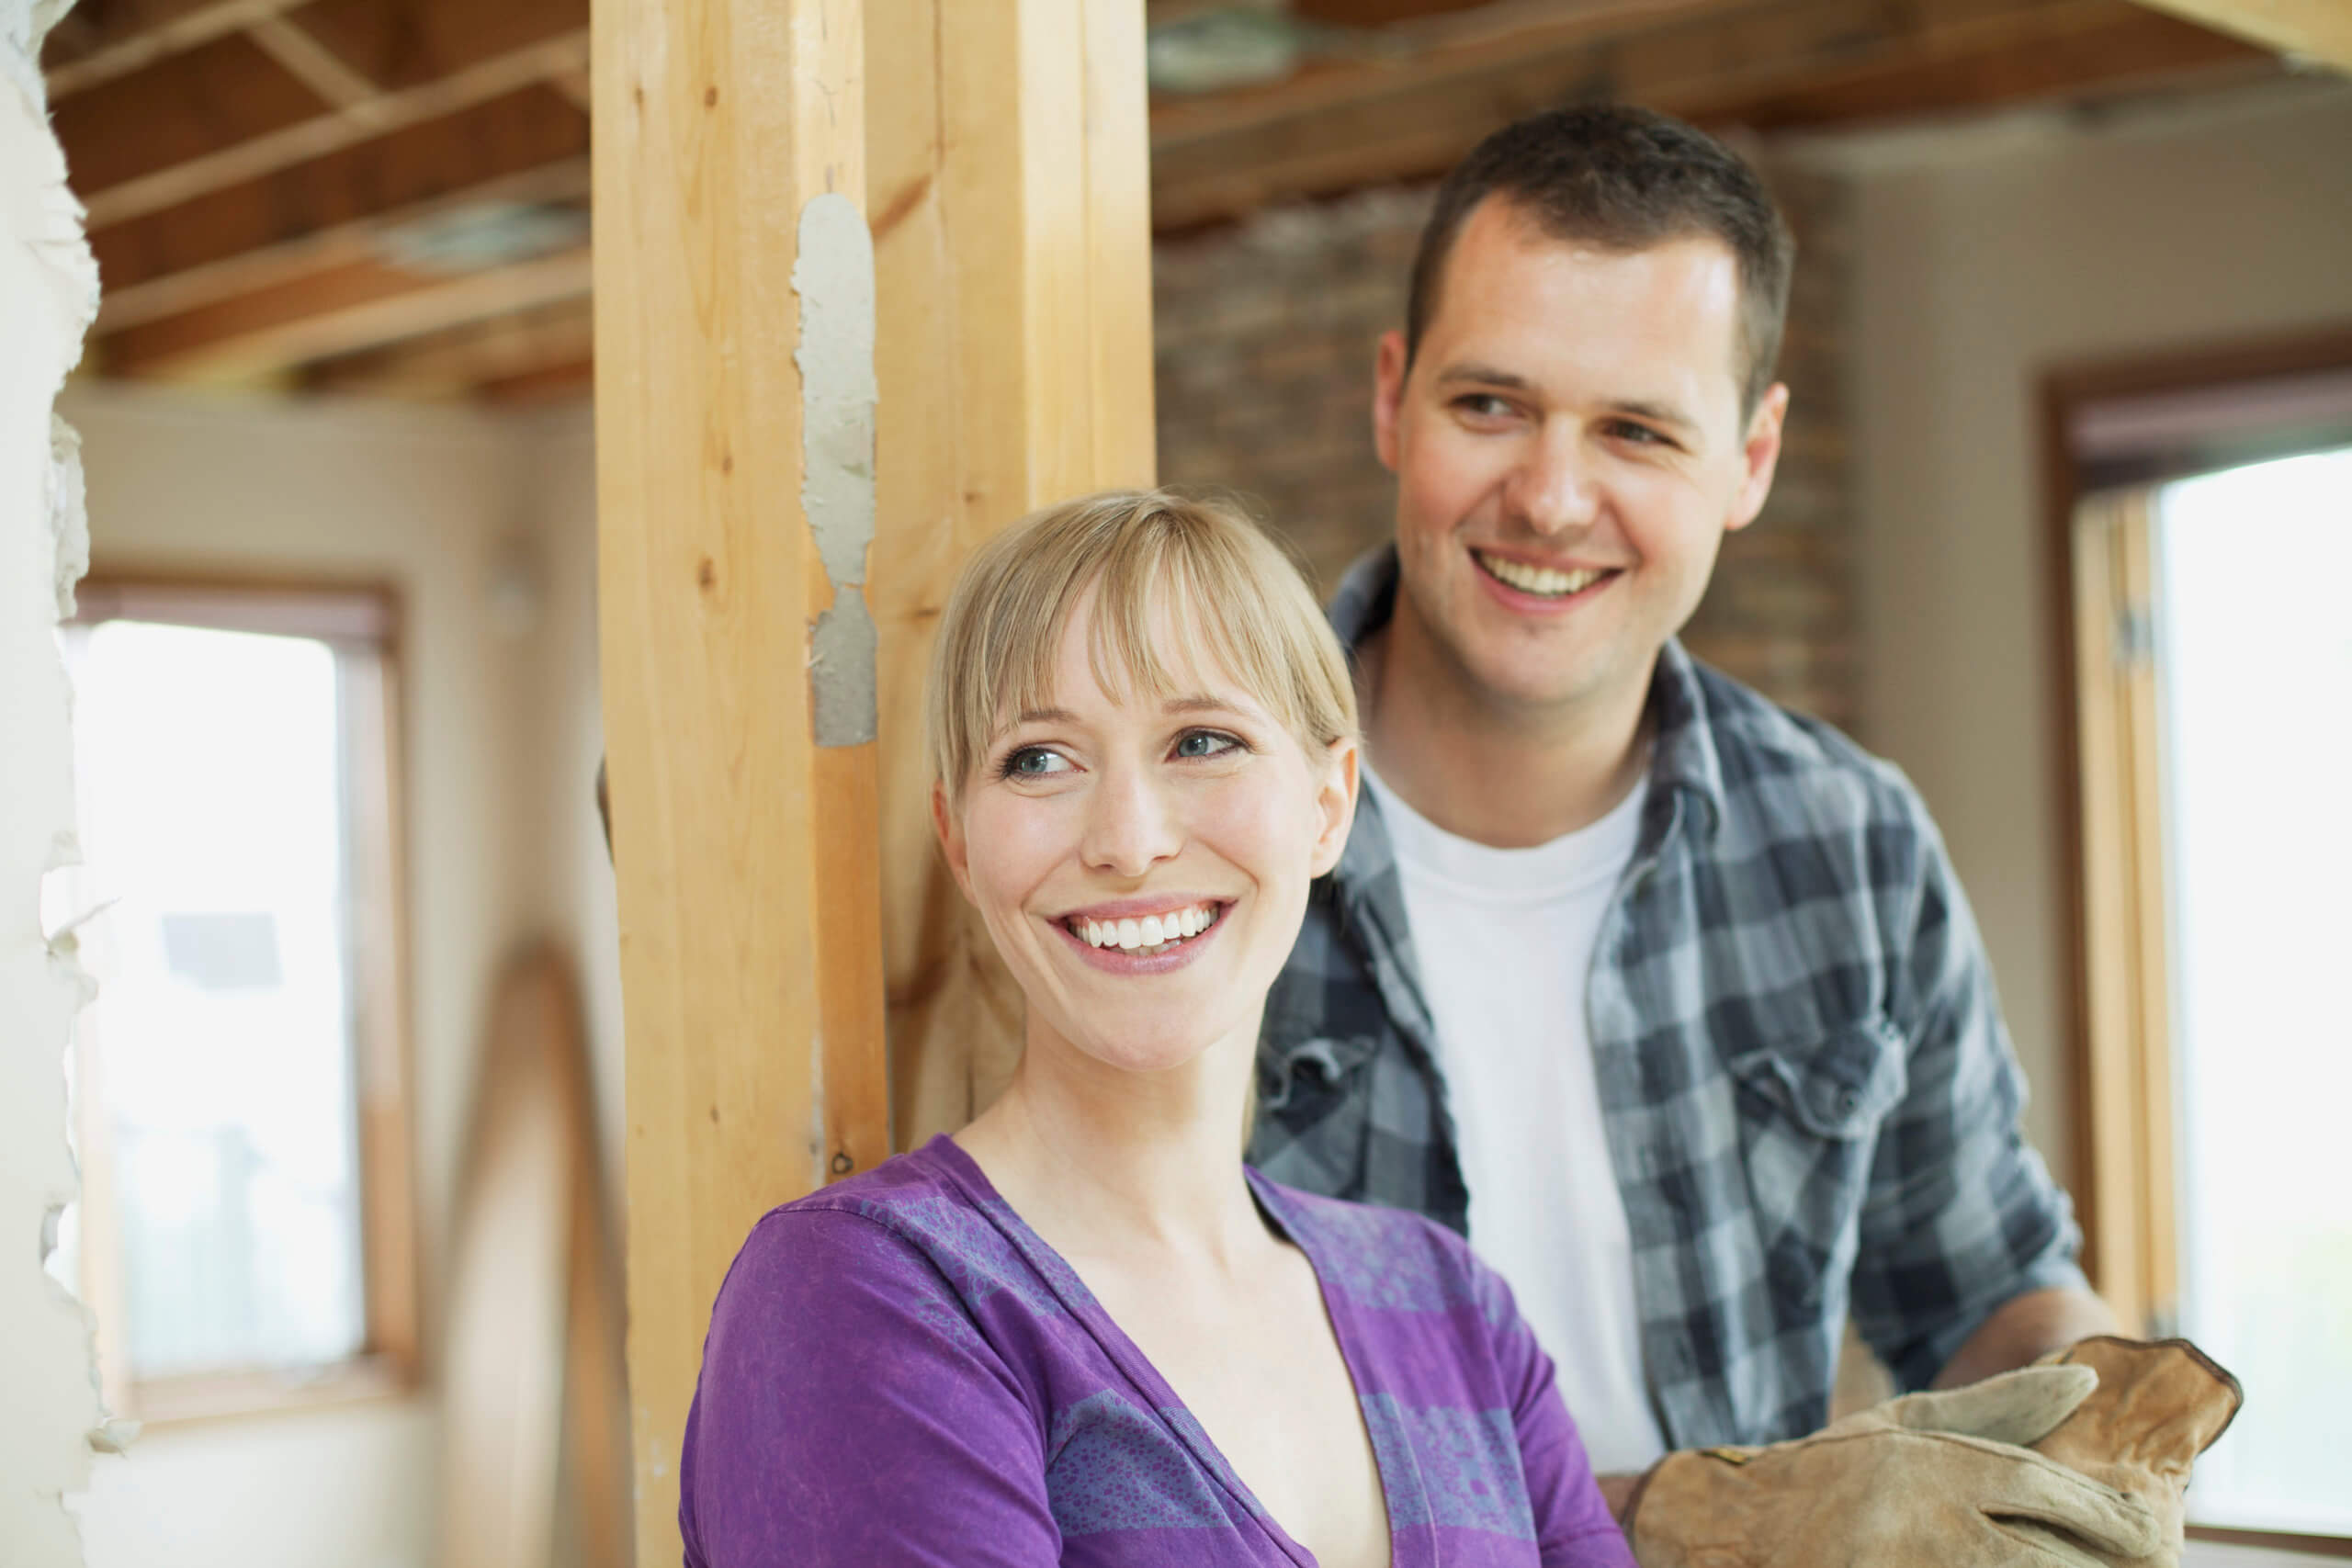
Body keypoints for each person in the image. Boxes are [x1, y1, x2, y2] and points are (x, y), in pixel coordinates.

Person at [1248, 104, 2139, 1540]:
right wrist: (1652, 1518)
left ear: (1752, 458)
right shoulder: (1195, 839)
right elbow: (1121, 1390)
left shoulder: (1850, 848)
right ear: (1391, 399)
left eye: (1638, 430)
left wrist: (2098, 1422)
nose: (1549, 494)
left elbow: (1986, 1291)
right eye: (1491, 405)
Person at [678, 491, 1641, 1567]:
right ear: (959, 839)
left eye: (1201, 740)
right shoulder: (868, 1297)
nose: (1128, 842)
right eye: (1038, 760)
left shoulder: (1456, 1313)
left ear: (1328, 805)